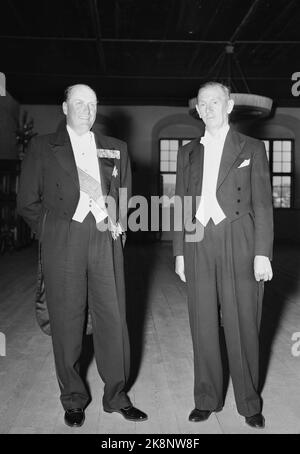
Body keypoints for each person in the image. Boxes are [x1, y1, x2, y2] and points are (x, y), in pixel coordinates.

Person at [17, 84, 147, 427]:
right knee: (67, 321)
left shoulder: (116, 148)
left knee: (114, 319)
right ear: (64, 107)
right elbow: (27, 201)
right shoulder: (43, 146)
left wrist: (118, 224)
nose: (86, 110)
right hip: (64, 239)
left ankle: (117, 396)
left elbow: (125, 196)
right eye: (78, 103)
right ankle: (73, 398)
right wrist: (55, 233)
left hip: (105, 240)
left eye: (91, 104)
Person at [173, 81, 273, 429]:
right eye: (204, 103)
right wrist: (180, 253)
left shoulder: (252, 147)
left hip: (240, 241)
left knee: (243, 322)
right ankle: (206, 398)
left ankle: (249, 402)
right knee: (202, 324)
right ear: (198, 110)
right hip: (198, 240)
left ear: (229, 106)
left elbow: (263, 203)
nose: (210, 107)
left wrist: (263, 253)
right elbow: (182, 204)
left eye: (216, 101)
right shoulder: (187, 152)